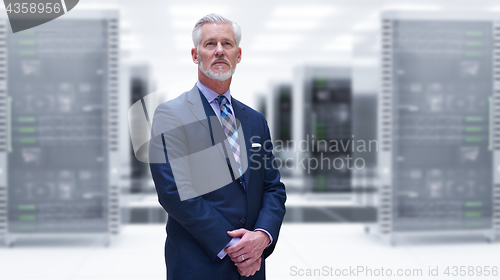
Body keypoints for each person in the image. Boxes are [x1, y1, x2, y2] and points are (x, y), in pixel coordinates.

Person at [149, 14, 286, 280]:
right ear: (195, 54)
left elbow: (272, 187)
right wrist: (235, 248)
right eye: (210, 44)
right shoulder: (170, 115)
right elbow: (174, 192)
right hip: (198, 263)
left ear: (239, 55)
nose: (220, 50)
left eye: (227, 43)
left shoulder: (255, 120)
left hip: (252, 265)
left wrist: (262, 237)